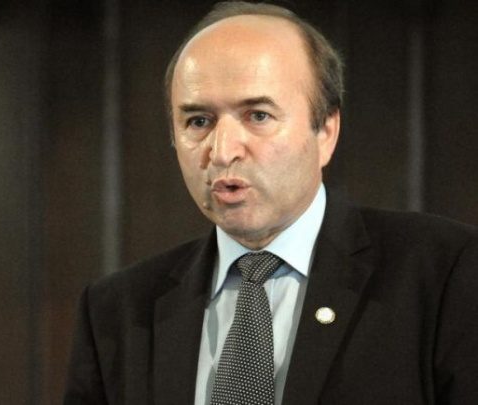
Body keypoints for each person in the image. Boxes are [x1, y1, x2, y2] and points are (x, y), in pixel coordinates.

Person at [64, 2, 478, 404]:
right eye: (198, 121)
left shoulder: (444, 272)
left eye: (258, 115)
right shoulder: (116, 312)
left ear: (326, 131)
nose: (222, 151)